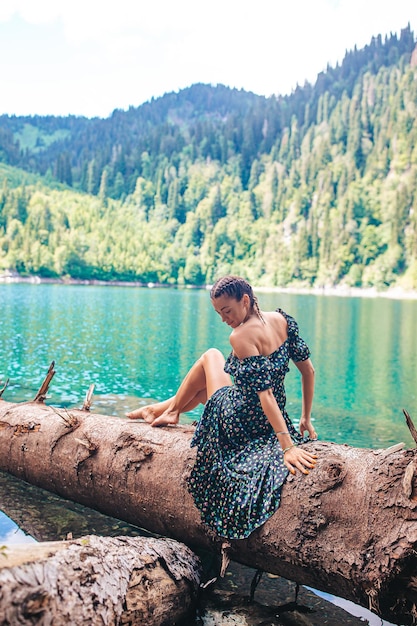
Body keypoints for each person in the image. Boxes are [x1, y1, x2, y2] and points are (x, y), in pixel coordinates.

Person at [127, 275, 317, 540]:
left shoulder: (241, 336)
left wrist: (287, 447)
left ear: (246, 300)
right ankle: (163, 410)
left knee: (211, 357)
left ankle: (170, 411)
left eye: (227, 310)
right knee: (204, 388)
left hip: (239, 421)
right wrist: (305, 417)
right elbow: (308, 372)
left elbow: (266, 395)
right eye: (218, 313)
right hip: (268, 418)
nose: (223, 318)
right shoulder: (282, 320)